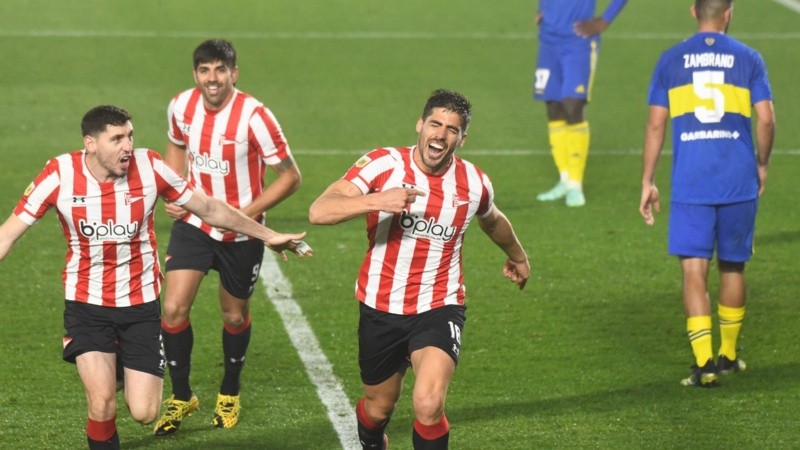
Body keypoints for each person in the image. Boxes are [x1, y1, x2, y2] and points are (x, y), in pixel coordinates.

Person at [0, 105, 311, 450]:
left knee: (145, 412)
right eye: (116, 138)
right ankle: (102, 362)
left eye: (130, 135)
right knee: (102, 403)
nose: (127, 146)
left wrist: (267, 235)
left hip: (141, 306)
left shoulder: (149, 167)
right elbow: (8, 234)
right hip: (86, 304)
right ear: (90, 143)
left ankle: (115, 361)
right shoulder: (59, 174)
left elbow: (208, 208)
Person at [309, 89, 530, 449]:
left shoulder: (474, 182)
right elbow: (319, 211)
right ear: (420, 124)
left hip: (439, 305)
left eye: (452, 129)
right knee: (378, 408)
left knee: (428, 404)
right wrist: (379, 200)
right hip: (381, 307)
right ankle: (370, 439)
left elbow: (492, 220)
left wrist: (518, 256)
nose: (441, 134)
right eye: (435, 124)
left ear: (462, 138)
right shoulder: (383, 165)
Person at [154, 39, 303, 436]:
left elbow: (291, 176)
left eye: (220, 70)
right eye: (205, 70)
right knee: (172, 310)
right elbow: (176, 143)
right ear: (195, 74)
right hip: (195, 226)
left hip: (240, 234)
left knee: (233, 315)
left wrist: (242, 218)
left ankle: (229, 391)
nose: (212, 78)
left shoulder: (256, 117)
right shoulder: (180, 105)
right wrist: (176, 189)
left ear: (234, 74)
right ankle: (182, 396)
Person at [639, 0, 775, 387]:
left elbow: (654, 124)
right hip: (737, 179)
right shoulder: (749, 58)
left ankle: (704, 365)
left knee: (694, 270)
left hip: (691, 181)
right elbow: (765, 118)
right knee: (733, 266)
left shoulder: (671, 60)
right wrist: (761, 164)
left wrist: (648, 180)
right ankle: (729, 356)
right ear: (728, 13)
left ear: (693, 11)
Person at [533, 0, 628, 207]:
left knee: (572, 106)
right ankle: (565, 179)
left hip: (578, 42)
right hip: (548, 41)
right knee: (553, 107)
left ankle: (575, 184)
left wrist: (605, 20)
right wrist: (542, 9)